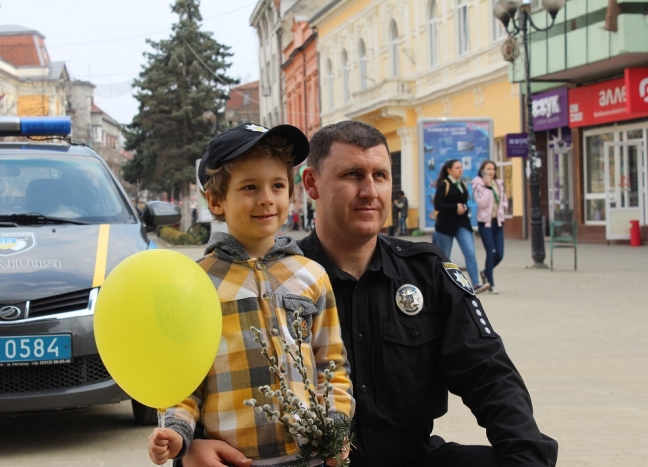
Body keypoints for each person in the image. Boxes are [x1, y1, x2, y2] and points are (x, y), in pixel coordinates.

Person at [181, 120, 558, 467]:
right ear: (311, 184)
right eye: (352, 175)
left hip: (410, 457)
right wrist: (191, 446)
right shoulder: (278, 281)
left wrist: (526, 458)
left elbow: (488, 373)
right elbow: (208, 376)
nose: (370, 191)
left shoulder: (425, 271)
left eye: (380, 175)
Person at [147, 123, 355, 466]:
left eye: (277, 185)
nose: (266, 198)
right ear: (216, 200)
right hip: (231, 459)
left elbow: (331, 364)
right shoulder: (195, 283)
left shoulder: (311, 275)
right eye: (249, 187)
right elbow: (184, 383)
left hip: (309, 458)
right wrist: (176, 432)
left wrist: (337, 428)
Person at [433, 159, 490, 294]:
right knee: (444, 257)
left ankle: (475, 284)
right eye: (457, 167)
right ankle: (440, 286)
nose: (460, 170)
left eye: (461, 167)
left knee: (470, 252)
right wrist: (455, 207)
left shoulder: (462, 184)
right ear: (449, 170)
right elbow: (438, 205)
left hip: (462, 224)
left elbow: (463, 203)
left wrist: (463, 207)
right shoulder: (444, 185)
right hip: (445, 226)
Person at [471, 160, 508, 294]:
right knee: (491, 252)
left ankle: (486, 272)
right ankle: (491, 283)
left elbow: (504, 200)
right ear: (482, 170)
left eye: (493, 169)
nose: (491, 171)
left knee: (500, 254)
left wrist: (503, 209)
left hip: (497, 222)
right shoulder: (478, 184)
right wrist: (487, 187)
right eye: (488, 169)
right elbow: (481, 203)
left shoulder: (499, 183)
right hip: (485, 223)